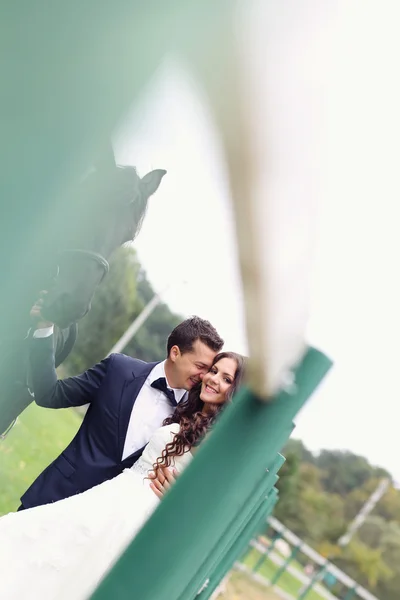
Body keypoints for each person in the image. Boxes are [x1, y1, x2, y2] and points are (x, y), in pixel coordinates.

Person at [0, 352, 245, 600]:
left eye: (226, 379)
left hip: (139, 515)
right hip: (116, 494)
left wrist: (180, 497)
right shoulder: (191, 413)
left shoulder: (218, 437)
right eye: (213, 371)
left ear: (236, 391)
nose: (213, 379)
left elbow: (213, 498)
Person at [18, 295, 224, 510]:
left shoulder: (193, 417)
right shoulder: (117, 369)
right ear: (175, 353)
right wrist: (44, 328)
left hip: (108, 520)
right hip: (55, 495)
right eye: (200, 366)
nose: (204, 376)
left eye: (208, 370)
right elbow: (50, 394)